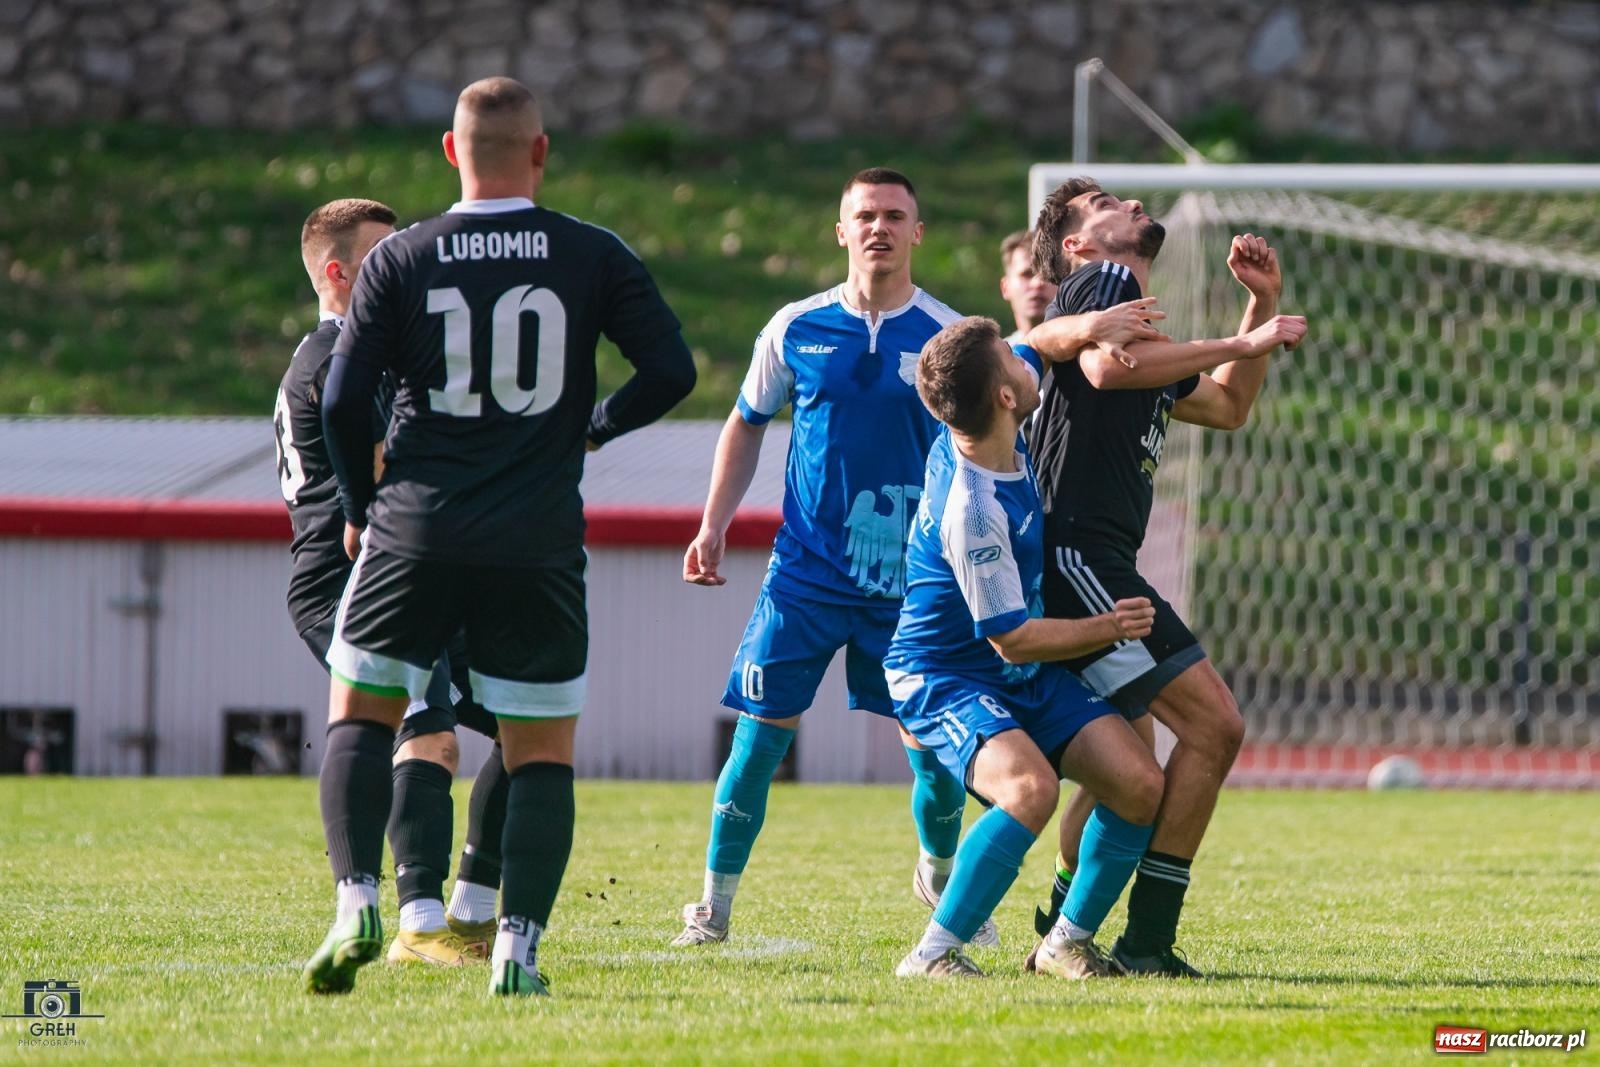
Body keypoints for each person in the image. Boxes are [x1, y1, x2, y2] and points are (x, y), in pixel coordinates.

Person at [673, 170, 1171, 950]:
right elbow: (746, 420)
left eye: (894, 215)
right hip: (808, 573)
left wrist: (1090, 328)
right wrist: (713, 524)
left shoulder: (951, 339)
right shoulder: (795, 327)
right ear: (842, 230)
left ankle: (942, 876)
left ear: (917, 232)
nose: (879, 227)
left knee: (938, 767)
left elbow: (1031, 350)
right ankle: (712, 907)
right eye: (865, 215)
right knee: (760, 738)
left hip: (910, 587)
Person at [304, 76, 696, 998]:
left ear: (451, 151)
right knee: (539, 749)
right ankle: (516, 951)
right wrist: (592, 427)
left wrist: (359, 505)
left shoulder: (401, 255)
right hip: (536, 535)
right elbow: (671, 369)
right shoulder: (591, 252)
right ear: (541, 151)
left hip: (416, 528)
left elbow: (343, 399)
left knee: (362, 713)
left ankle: (359, 901)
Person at [1021, 177, 1307, 977]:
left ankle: (1064, 924)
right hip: (1077, 555)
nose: (1131, 204)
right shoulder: (1104, 282)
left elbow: (1226, 409)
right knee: (1213, 725)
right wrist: (1242, 342)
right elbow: (1106, 370)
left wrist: (1257, 305)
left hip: (1090, 558)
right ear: (1078, 245)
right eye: (1106, 204)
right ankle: (1142, 939)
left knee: (1130, 762)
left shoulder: (1142, 330)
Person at [886, 315, 1165, 979]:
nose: (1022, 358)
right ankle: (930, 954)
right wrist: (1111, 626)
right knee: (1029, 789)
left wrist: (1094, 324)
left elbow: (1037, 341)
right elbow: (1012, 639)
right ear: (1006, 397)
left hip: (1016, 672)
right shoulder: (974, 509)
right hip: (944, 675)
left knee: (1139, 783)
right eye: (1009, 362)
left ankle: (1064, 942)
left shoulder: (982, 425)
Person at [273, 197, 509, 968]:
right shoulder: (338, 357)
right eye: (384, 257)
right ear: (339, 274)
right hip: (348, 577)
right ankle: (415, 921)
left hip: (418, 566)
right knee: (429, 731)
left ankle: (471, 908)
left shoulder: (377, 351)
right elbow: (387, 474)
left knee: (526, 719)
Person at [998, 230, 1053, 344]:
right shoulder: (993, 356)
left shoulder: (1087, 348)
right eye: (1027, 274)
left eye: (1047, 274)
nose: (1037, 283)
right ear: (1005, 288)